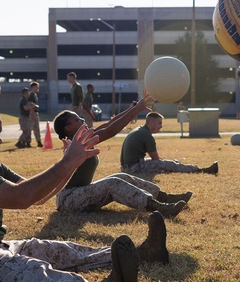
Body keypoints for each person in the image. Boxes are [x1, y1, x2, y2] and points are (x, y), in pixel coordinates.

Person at [0, 95, 166, 282]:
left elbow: (36, 195)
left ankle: (144, 253)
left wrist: (72, 162)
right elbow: (22, 197)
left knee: (60, 251)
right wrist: (68, 162)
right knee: (25, 270)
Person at [53, 91, 192, 225]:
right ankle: (158, 207)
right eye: (77, 119)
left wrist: (135, 108)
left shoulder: (82, 139)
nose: (82, 119)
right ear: (68, 128)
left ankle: (164, 197)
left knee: (122, 176)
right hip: (68, 200)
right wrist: (137, 109)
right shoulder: (75, 145)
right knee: (112, 183)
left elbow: (108, 124)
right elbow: (110, 131)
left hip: (79, 194)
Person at [120, 112, 218, 175]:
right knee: (171, 165)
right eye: (159, 123)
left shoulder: (140, 130)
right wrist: (169, 164)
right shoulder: (147, 136)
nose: (161, 126)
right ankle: (201, 170)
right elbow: (156, 160)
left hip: (127, 167)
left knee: (170, 163)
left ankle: (179, 165)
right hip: (133, 169)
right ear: (152, 123)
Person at [29, 81, 42, 147]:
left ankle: (39, 141)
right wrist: (33, 114)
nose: (38, 88)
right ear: (33, 87)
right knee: (31, 128)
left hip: (35, 113)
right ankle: (26, 141)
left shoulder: (35, 95)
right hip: (33, 113)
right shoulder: (31, 95)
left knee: (37, 128)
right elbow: (31, 105)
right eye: (37, 87)